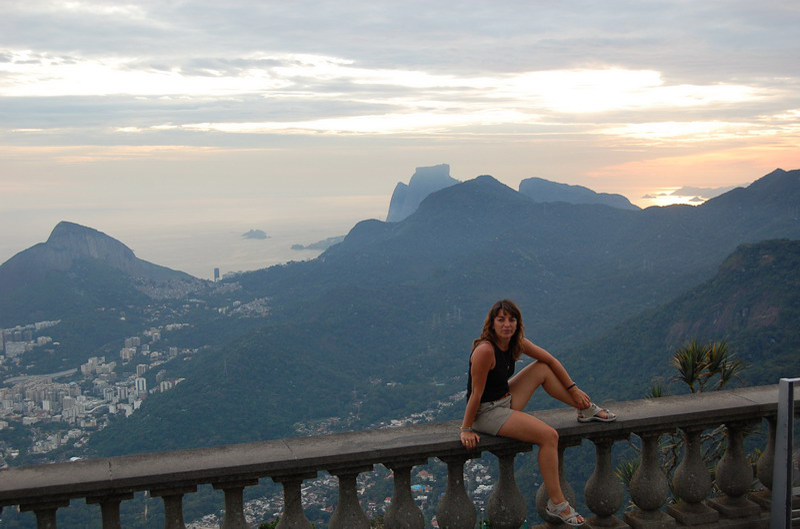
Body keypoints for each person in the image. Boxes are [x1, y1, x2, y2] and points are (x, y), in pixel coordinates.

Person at [459, 299, 616, 527]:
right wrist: (465, 429)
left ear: (517, 323)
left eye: (511, 319)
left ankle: (585, 409)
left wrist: (574, 390)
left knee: (542, 368)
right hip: (486, 413)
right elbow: (475, 394)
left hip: (506, 399)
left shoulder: (515, 343)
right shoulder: (485, 350)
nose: (507, 325)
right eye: (501, 319)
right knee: (549, 436)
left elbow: (550, 360)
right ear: (491, 324)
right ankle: (557, 503)